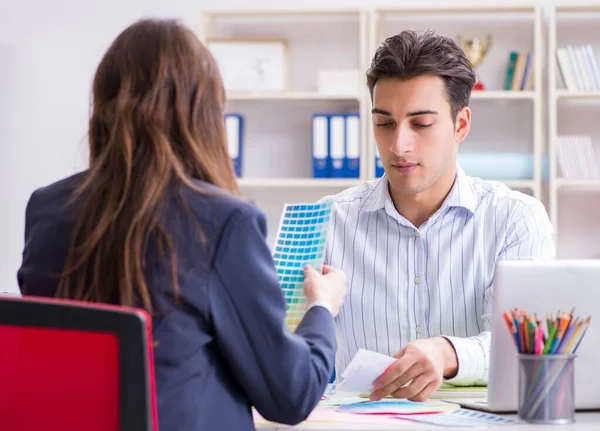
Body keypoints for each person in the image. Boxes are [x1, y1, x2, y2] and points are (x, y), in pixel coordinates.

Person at [16, 19, 347, 431]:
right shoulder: (224, 222)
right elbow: (290, 396)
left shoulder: (48, 208)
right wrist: (322, 307)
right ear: (206, 112)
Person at [319, 29, 555, 402]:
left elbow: (529, 348)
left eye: (421, 124)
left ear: (460, 125)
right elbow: (277, 349)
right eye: (384, 124)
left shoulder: (516, 219)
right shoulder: (327, 223)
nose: (399, 146)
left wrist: (448, 353)